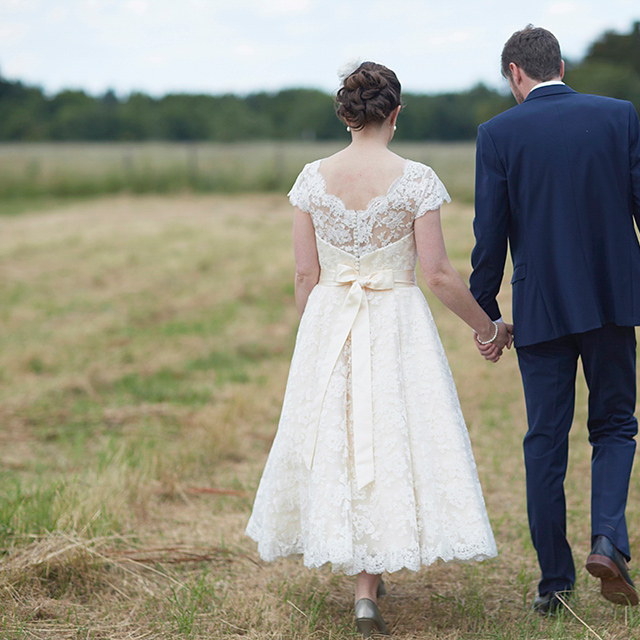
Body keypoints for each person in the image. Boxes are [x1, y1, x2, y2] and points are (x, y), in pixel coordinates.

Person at [245, 61, 506, 638]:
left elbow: (303, 273)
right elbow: (437, 274)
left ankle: (365, 586)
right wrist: (487, 326)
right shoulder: (415, 178)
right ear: (396, 112)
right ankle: (368, 585)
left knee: (342, 439)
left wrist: (310, 339)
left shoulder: (313, 178)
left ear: (345, 114)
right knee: (392, 437)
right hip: (396, 322)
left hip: (329, 321)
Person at [470, 26, 640, 615]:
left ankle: (554, 584)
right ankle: (608, 539)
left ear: (516, 72)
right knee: (615, 424)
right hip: (613, 301)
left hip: (540, 308)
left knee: (545, 441)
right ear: (560, 65)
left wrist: (486, 313)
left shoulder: (497, 133)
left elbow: (488, 235)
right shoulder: (618, 116)